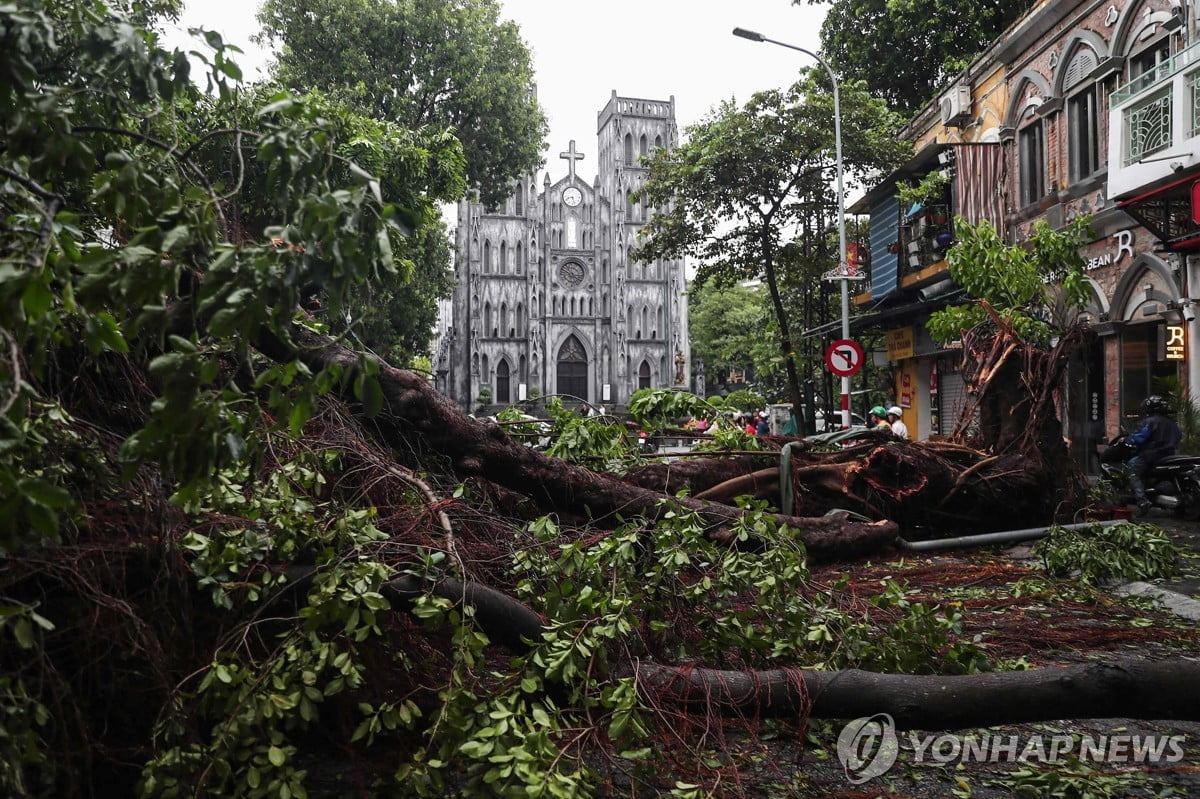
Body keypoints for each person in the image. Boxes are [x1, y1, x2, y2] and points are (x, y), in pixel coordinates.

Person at [1125, 394, 1183, 516]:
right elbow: (1178, 436)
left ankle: (1142, 501)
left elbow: (1139, 438)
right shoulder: (1171, 423)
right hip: (1169, 455)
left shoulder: (1150, 422)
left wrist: (1128, 441)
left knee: (1133, 472)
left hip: (1150, 455)